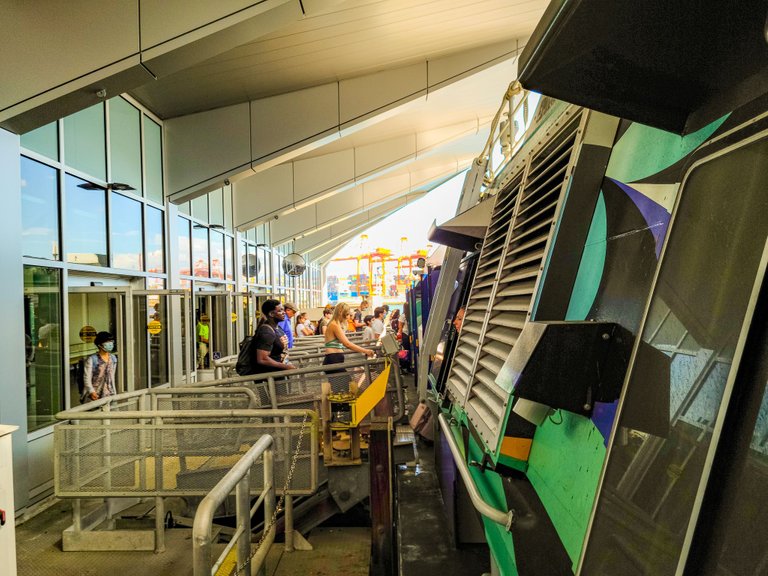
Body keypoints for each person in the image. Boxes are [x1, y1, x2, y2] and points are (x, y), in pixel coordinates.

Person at [324, 303, 374, 390]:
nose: (348, 317)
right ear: (340, 312)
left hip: (334, 359)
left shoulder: (336, 324)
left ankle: (340, 404)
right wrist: (365, 351)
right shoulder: (334, 325)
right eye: (347, 314)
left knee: (341, 389)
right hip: (333, 360)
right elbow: (347, 344)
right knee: (345, 387)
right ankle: (340, 404)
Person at [251, 299, 296, 374]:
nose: (284, 312)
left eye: (283, 310)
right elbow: (262, 359)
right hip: (271, 377)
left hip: (280, 373)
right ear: (271, 314)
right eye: (280, 310)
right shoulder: (266, 332)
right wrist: (286, 367)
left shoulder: (277, 327)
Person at [82, 331, 118, 401]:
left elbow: (111, 377)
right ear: (99, 344)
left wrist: (114, 392)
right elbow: (87, 377)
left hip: (109, 394)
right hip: (94, 394)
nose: (110, 344)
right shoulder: (92, 359)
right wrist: (91, 391)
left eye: (111, 341)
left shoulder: (113, 358)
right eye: (107, 342)